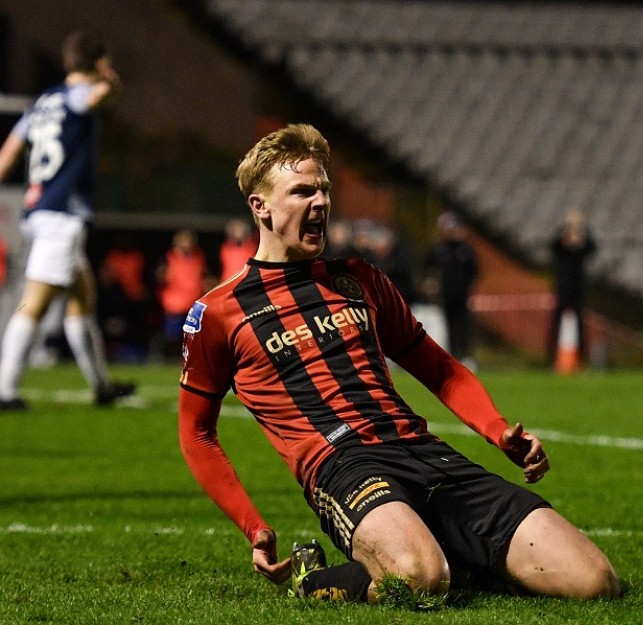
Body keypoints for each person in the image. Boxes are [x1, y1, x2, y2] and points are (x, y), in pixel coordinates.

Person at [177, 123, 620, 606]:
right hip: (344, 468)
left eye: (324, 189)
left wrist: (497, 430)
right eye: (302, 191)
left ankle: (452, 553)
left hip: (424, 452)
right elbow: (197, 433)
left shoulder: (359, 279)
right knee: (420, 580)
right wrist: (254, 525)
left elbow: (439, 369)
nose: (320, 202)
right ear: (259, 206)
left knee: (594, 582)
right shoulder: (218, 313)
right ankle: (314, 579)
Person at [0, 30, 134, 410]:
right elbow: (100, 97)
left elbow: (9, 150)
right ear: (97, 63)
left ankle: (102, 386)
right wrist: (110, 80)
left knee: (82, 298)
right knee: (34, 303)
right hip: (61, 214)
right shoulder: (79, 97)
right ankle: (5, 389)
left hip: (39, 208)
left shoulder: (43, 102)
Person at [424, 212, 479, 368]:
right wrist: (430, 283)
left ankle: (466, 357)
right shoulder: (439, 250)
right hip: (444, 296)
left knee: (464, 327)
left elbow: (474, 271)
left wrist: (467, 286)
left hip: (462, 296)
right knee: (446, 327)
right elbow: (427, 269)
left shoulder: (466, 250)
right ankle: (452, 357)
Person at [547, 208, 596, 368]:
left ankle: (581, 359)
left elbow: (591, 247)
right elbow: (553, 245)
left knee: (580, 325)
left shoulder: (581, 250)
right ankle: (552, 359)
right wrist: (567, 227)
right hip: (562, 289)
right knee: (556, 324)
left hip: (578, 289)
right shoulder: (562, 250)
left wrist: (581, 227)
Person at [156, 229, 207, 362]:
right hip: (174, 303)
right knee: (172, 334)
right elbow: (160, 276)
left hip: (193, 303)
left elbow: (203, 277)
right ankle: (169, 359)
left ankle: (188, 358)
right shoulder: (168, 258)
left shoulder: (198, 257)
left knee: (192, 334)